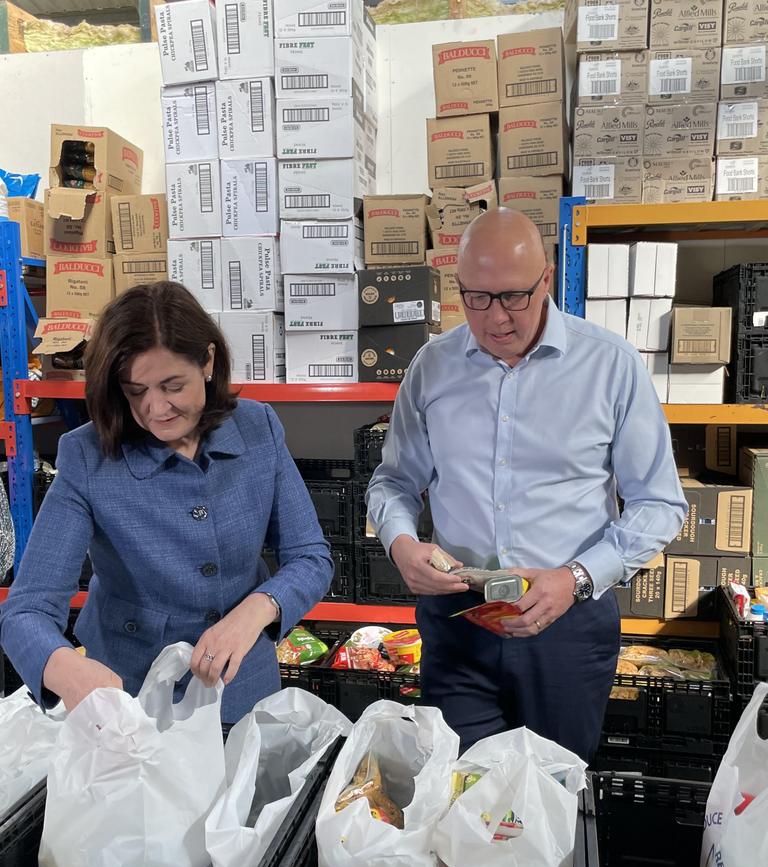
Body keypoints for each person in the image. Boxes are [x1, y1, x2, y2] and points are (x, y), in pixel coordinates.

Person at [366, 208, 687, 761]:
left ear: (546, 281)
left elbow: (660, 504)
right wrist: (400, 543)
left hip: (565, 622)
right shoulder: (431, 367)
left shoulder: (611, 365)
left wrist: (577, 577)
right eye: (476, 297)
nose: (496, 319)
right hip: (460, 621)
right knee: (459, 800)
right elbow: (393, 480)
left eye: (514, 296)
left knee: (551, 803)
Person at [0, 281, 334, 721]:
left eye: (172, 385)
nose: (156, 409)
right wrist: (64, 668)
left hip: (242, 690)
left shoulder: (258, 428)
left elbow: (310, 557)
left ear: (208, 362)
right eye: (135, 391)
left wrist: (258, 608)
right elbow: (27, 609)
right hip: (131, 703)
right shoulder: (87, 456)